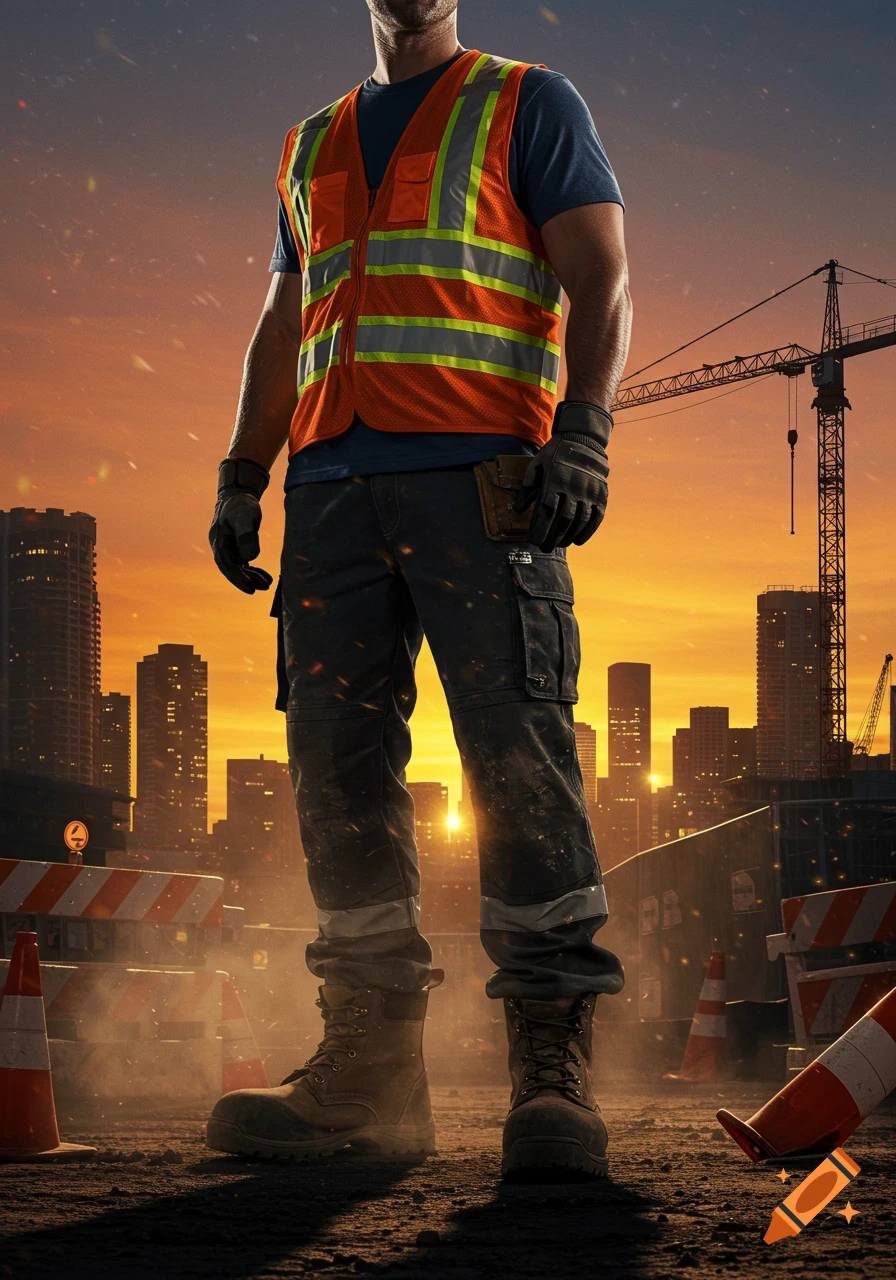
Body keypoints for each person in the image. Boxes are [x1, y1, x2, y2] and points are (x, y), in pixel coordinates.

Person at [206, 0, 632, 1180]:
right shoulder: (310, 142)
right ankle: (370, 1072)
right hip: (332, 489)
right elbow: (287, 319)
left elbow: (600, 275)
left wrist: (584, 435)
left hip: (483, 480)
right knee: (336, 767)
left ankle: (549, 1067)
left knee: (516, 760)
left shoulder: (525, 103)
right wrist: (246, 470)